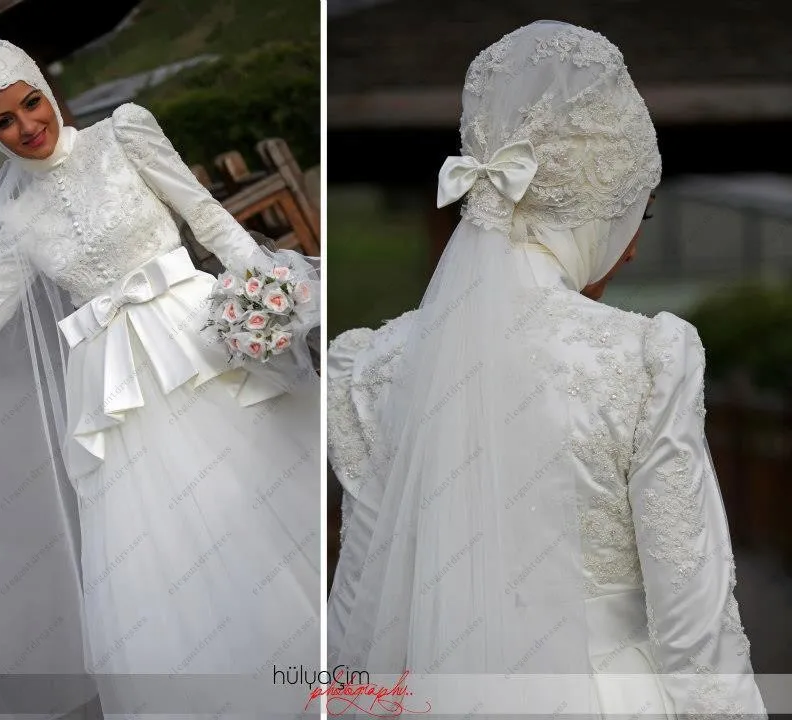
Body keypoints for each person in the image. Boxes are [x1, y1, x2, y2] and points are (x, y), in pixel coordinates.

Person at [0, 39, 320, 719]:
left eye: (29, 103)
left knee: (258, 489)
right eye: (4, 123)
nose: (26, 126)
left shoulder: (124, 133)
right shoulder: (15, 219)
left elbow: (206, 216)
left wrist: (265, 290)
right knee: (165, 554)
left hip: (200, 339)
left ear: (45, 89)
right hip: (117, 388)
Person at [326, 21, 766, 717]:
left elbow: (358, 606)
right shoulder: (645, 358)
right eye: (638, 216)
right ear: (599, 207)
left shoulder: (366, 370)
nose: (630, 253)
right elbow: (693, 620)